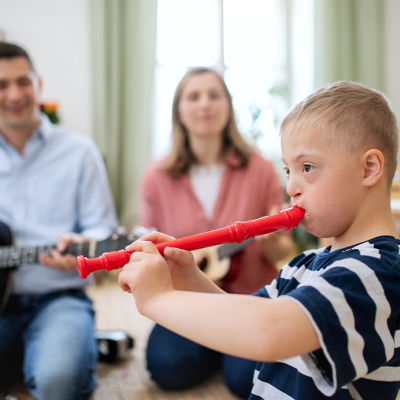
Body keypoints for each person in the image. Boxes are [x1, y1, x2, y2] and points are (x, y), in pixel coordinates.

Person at [119, 81, 400, 399]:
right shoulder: (305, 264)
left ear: (369, 169)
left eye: (307, 167)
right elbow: (240, 314)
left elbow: (269, 332)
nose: (291, 187)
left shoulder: (376, 272)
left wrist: (157, 298)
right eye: (288, 171)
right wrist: (188, 278)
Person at [140, 68, 294, 397]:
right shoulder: (156, 176)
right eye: (193, 96)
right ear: (178, 110)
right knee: (164, 368)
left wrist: (272, 241)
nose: (204, 104)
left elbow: (281, 253)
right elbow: (148, 247)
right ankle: (221, 347)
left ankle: (224, 350)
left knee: (244, 382)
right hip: (187, 302)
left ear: (228, 106)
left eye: (214, 95)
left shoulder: (261, 169)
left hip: (251, 299)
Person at [0, 42, 118, 400]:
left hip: (60, 296)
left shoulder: (80, 151)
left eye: (23, 81)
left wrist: (83, 249)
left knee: (57, 383)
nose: (15, 94)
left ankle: (57, 352)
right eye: (2, 85)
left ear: (39, 83)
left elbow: (104, 229)